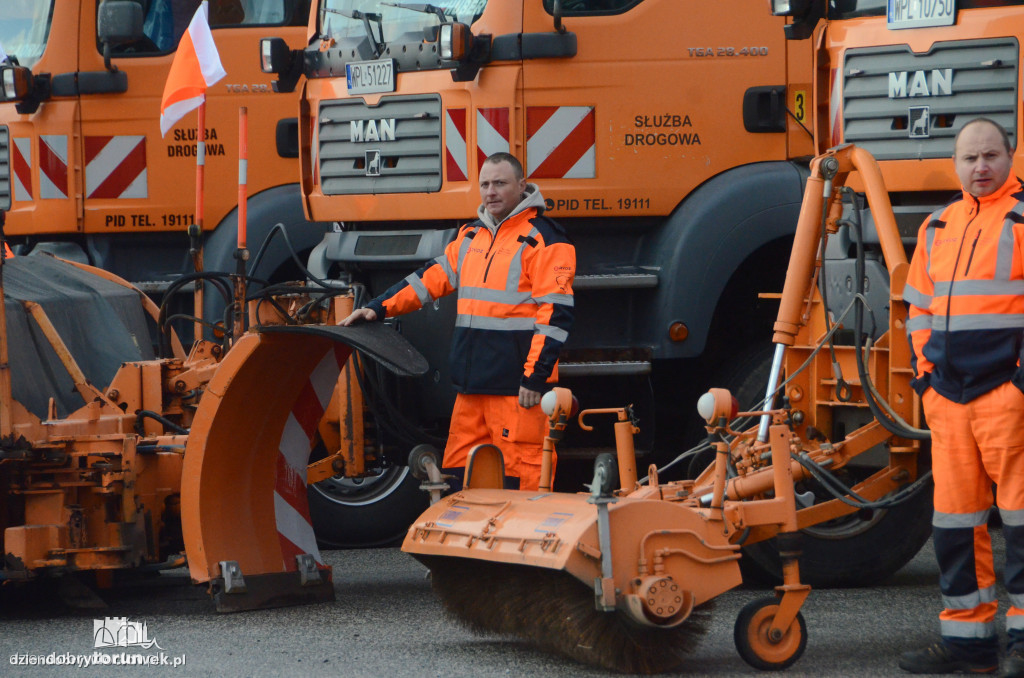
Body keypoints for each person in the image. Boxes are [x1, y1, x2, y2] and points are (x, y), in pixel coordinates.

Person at [340, 153, 575, 491]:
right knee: (458, 481)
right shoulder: (470, 237)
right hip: (471, 388)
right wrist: (378, 308)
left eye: (500, 183)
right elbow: (429, 280)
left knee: (522, 484)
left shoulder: (546, 240)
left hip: (517, 391)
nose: (490, 192)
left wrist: (534, 378)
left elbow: (555, 315)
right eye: (485, 184)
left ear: (522, 186)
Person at [900, 117, 1024, 677]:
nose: (981, 167)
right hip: (948, 399)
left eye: (991, 156)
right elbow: (917, 310)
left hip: (1007, 396)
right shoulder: (937, 226)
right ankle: (970, 645)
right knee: (954, 526)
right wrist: (926, 378)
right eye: (970, 158)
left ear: (1010, 156)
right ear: (955, 164)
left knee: (1021, 523)